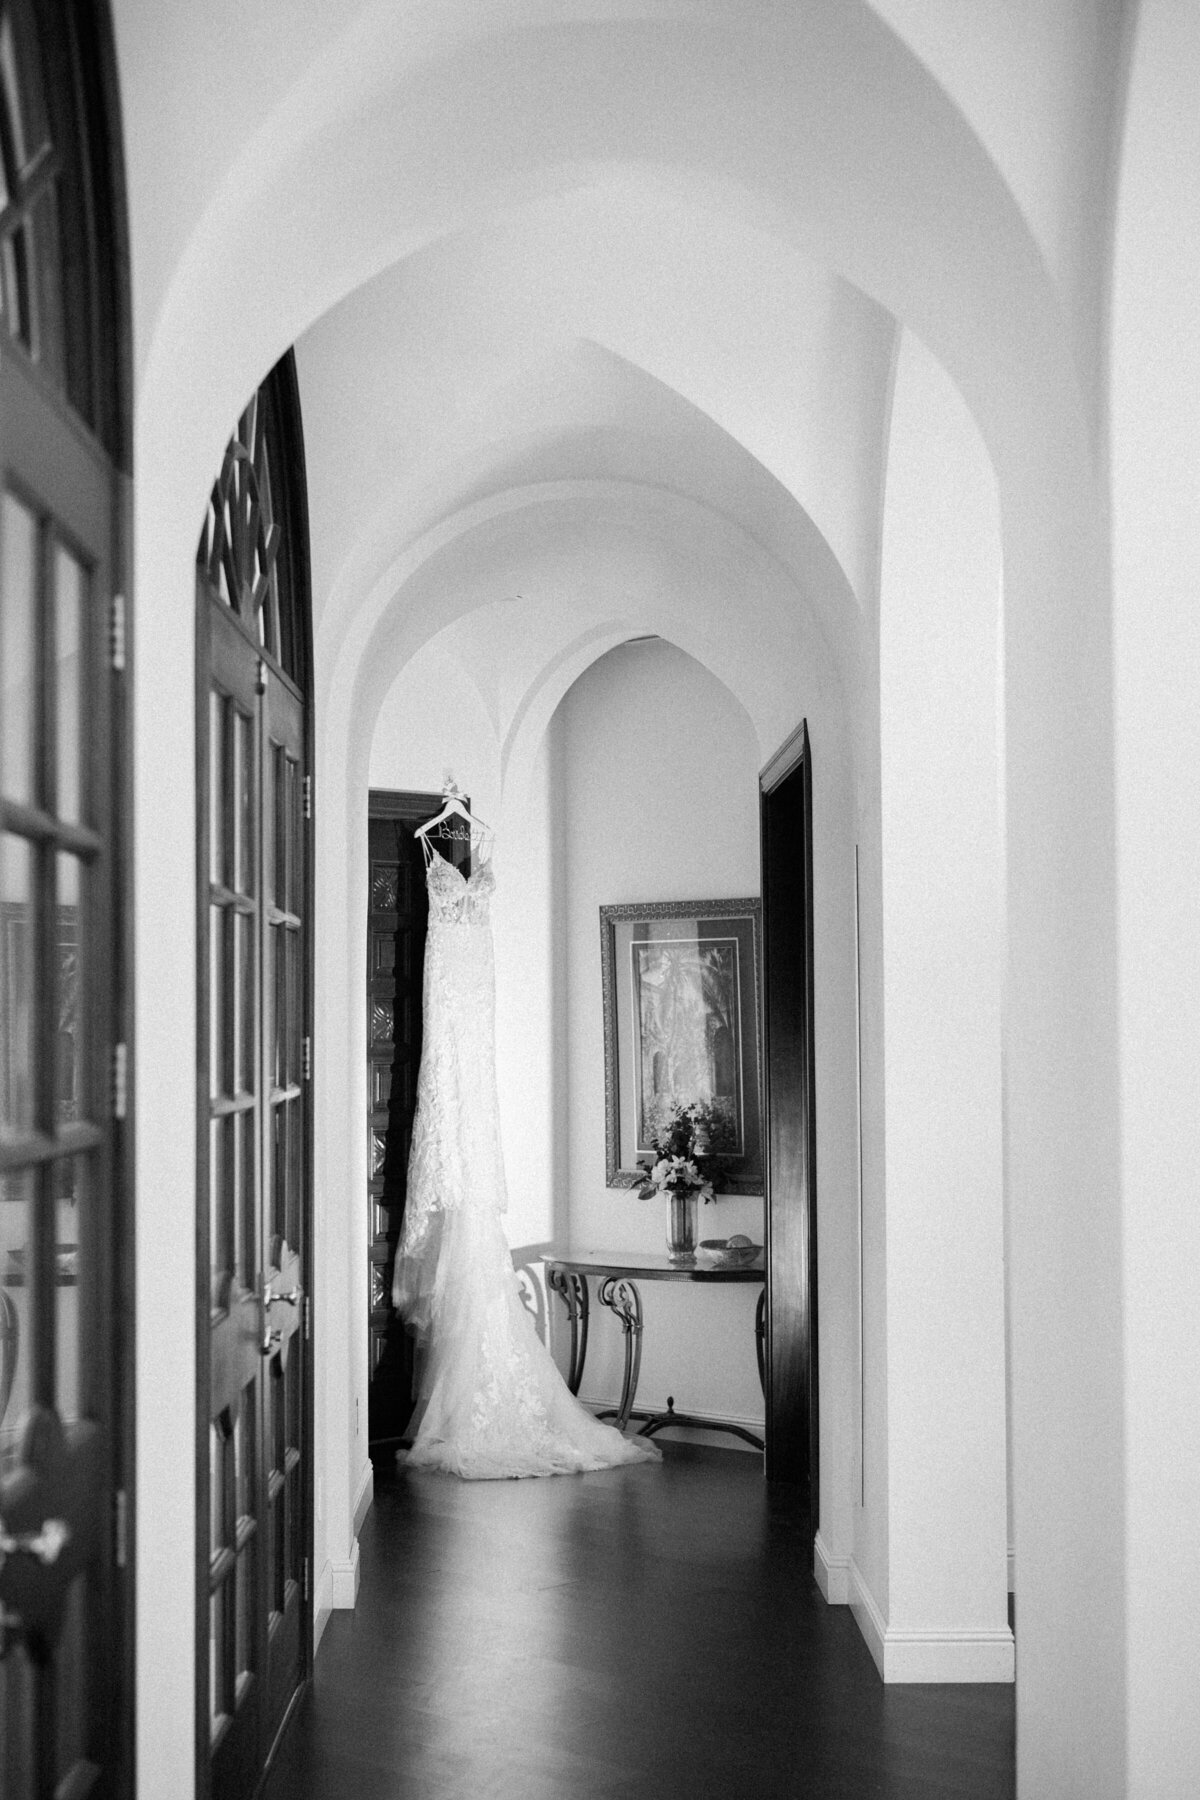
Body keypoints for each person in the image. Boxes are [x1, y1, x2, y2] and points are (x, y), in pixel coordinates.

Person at [392, 807, 657, 1480]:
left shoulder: (465, 851)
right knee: (448, 1076)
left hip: (473, 993)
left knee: (469, 1078)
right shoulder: (432, 849)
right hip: (448, 989)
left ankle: (487, 1408)